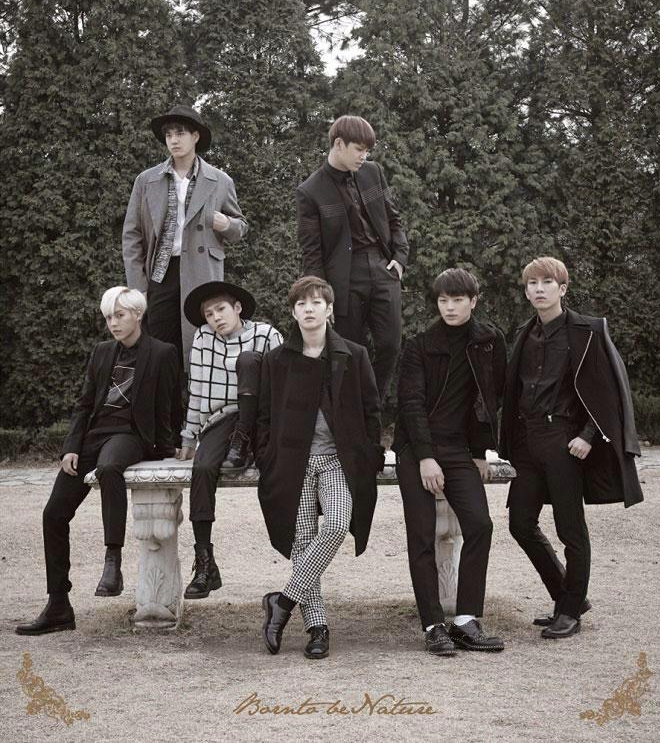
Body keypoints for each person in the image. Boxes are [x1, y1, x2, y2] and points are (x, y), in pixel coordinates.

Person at [16, 287, 178, 636]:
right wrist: (71, 446)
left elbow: (169, 405)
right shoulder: (102, 352)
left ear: (138, 314)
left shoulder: (162, 353)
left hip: (131, 436)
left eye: (120, 315)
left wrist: (168, 448)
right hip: (93, 436)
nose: (113, 323)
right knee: (53, 513)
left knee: (109, 467)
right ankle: (58, 605)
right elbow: (84, 404)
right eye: (108, 317)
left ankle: (112, 561)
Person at [500, 256, 643, 640]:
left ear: (562, 289)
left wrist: (587, 435)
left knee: (570, 529)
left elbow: (607, 389)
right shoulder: (524, 334)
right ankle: (568, 598)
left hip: (564, 439)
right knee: (520, 523)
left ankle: (569, 611)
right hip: (527, 440)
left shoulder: (588, 330)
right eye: (532, 283)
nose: (539, 289)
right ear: (526, 291)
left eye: (547, 282)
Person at [257, 276, 384, 659]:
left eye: (316, 302)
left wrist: (371, 454)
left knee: (337, 525)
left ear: (329, 309)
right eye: (301, 303)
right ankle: (317, 627)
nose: (308, 309)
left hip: (336, 462)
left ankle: (282, 602)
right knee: (302, 539)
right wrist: (267, 456)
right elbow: (264, 414)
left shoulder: (353, 354)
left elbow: (372, 409)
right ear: (293, 312)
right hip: (292, 464)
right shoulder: (276, 360)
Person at [394, 268, 506, 656]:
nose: (450, 307)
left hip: (459, 449)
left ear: (473, 301)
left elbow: (489, 399)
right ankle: (432, 626)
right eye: (443, 300)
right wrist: (425, 457)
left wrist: (481, 451)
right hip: (416, 449)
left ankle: (464, 620)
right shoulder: (419, 346)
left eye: (458, 300)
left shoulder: (489, 342)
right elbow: (410, 405)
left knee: (480, 525)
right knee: (422, 534)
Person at [122, 104, 248, 442]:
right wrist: (137, 287)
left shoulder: (219, 180)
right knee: (161, 353)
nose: (174, 140)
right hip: (161, 275)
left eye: (180, 133)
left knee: (202, 350)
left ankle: (204, 430)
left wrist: (226, 223)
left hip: (203, 274)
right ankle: (167, 432)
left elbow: (240, 227)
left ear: (195, 137)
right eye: (168, 134)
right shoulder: (146, 180)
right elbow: (132, 235)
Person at [176, 280, 282, 599]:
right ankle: (205, 563)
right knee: (203, 468)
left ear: (237, 308)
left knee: (248, 361)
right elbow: (197, 390)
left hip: (261, 417)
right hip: (222, 419)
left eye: (220, 309)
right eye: (209, 314)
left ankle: (243, 444)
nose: (216, 318)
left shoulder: (266, 334)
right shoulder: (203, 338)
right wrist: (189, 437)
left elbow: (286, 381)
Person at [296, 114, 408, 406]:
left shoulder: (373, 172)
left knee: (390, 345)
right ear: (338, 144)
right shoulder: (310, 191)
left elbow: (393, 219)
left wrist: (399, 258)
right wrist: (321, 296)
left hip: (383, 268)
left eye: (367, 150)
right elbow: (312, 252)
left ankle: (373, 405)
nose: (364, 156)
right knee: (348, 352)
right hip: (343, 280)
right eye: (359, 149)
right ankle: (353, 415)